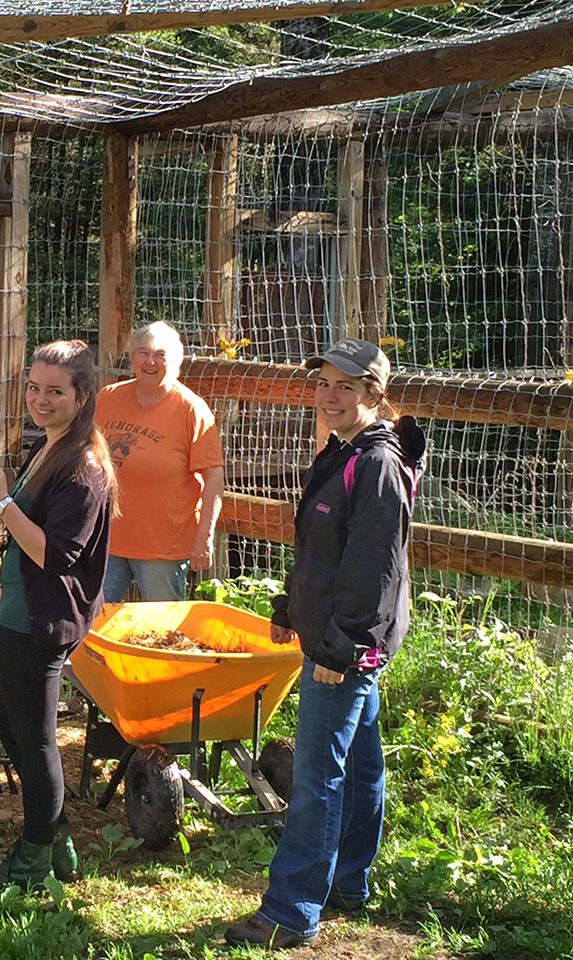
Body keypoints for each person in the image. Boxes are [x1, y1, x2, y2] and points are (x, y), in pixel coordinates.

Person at [225, 338, 425, 949]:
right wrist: (290, 608)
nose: (330, 396)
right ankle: (347, 883)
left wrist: (338, 651)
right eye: (323, 385)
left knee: (317, 776)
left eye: (345, 386)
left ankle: (289, 910)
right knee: (361, 764)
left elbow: (372, 571)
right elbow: (318, 549)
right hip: (336, 634)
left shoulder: (377, 466)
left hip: (347, 646)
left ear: (374, 394)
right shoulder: (341, 453)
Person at [0, 339, 117, 886]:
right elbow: (24, 554)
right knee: (9, 724)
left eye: (54, 391)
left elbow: (55, 555)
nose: (40, 398)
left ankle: (35, 857)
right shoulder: (46, 447)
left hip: (45, 620)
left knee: (33, 740)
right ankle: (54, 841)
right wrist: (1, 598)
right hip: (20, 612)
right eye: (33, 388)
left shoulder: (83, 468)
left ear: (82, 397)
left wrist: (2, 503)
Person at [95, 321, 224, 601]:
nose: (150, 362)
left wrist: (205, 537)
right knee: (90, 621)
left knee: (162, 627)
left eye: (160, 355)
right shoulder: (108, 398)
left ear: (176, 362)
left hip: (164, 547)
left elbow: (214, 476)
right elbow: (84, 454)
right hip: (108, 540)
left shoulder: (192, 410)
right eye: (143, 353)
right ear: (131, 358)